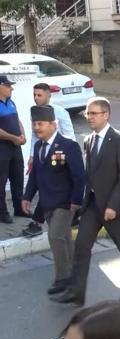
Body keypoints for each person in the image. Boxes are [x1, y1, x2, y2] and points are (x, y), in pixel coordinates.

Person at [52, 97, 120, 306]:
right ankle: (76, 293)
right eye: (87, 114)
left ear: (106, 115)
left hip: (114, 207)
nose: (89, 117)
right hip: (92, 205)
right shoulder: (88, 140)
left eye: (93, 113)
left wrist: (113, 205)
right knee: (81, 246)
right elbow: (90, 174)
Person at [21, 105, 85, 297]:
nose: (36, 128)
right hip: (47, 202)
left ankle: (62, 279)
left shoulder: (68, 146)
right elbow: (34, 176)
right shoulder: (39, 146)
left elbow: (79, 176)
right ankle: (74, 274)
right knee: (64, 238)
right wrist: (26, 197)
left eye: (40, 124)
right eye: (34, 124)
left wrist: (76, 200)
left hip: (65, 203)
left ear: (53, 125)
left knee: (55, 237)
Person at [23, 83, 78, 236]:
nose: (36, 98)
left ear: (49, 95)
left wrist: (63, 153)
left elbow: (70, 135)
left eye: (39, 95)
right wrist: (33, 156)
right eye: (34, 95)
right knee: (44, 185)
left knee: (52, 186)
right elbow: (35, 136)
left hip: (60, 156)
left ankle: (43, 220)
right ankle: (39, 221)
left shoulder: (60, 112)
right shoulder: (35, 113)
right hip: (42, 154)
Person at [0, 75, 27, 224]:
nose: (12, 88)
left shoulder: (11, 103)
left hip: (15, 148)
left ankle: (19, 208)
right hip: (2, 149)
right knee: (1, 182)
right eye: (8, 85)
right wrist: (13, 138)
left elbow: (17, 120)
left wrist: (22, 134)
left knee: (17, 179)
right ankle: (2, 213)